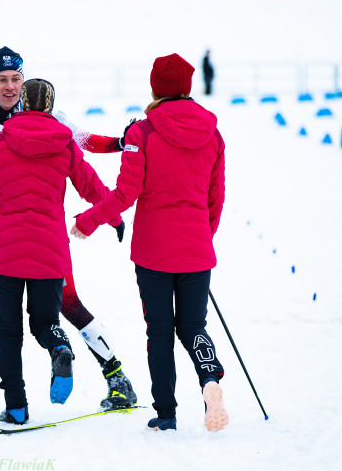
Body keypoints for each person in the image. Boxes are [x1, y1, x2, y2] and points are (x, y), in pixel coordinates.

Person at [0, 46, 137, 416]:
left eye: (16, 79)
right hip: (12, 229)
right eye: (1, 80)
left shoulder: (54, 119)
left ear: (24, 80)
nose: (10, 87)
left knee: (66, 305)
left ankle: (115, 378)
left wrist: (120, 142)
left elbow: (89, 144)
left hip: (17, 233)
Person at [71, 53, 229, 433]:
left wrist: (88, 221)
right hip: (195, 249)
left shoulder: (142, 133)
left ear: (156, 87)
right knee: (193, 326)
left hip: (154, 251)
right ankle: (210, 380)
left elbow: (126, 193)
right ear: (189, 87)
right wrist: (200, 238)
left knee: (159, 331)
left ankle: (166, 414)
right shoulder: (214, 133)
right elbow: (215, 197)